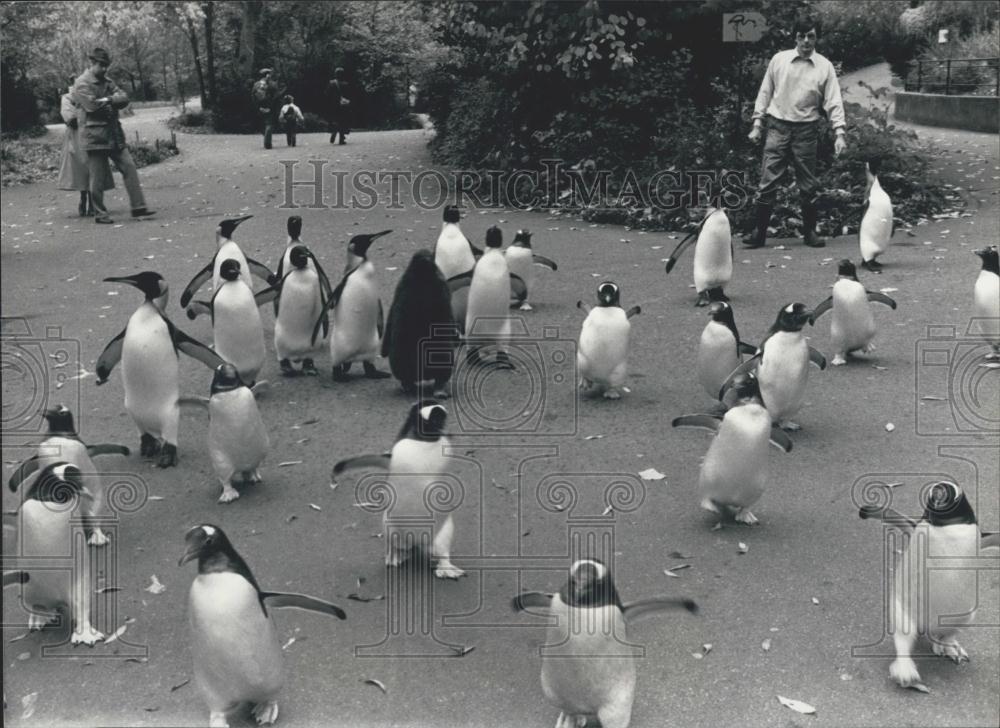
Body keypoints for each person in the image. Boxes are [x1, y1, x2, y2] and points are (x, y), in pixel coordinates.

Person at [743, 14, 847, 249]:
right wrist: (757, 124)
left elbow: (834, 101)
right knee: (768, 181)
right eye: (802, 36)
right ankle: (759, 233)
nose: (806, 41)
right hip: (777, 127)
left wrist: (839, 133)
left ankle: (810, 232)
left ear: (817, 38)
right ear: (795, 37)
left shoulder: (825, 67)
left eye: (811, 36)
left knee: (808, 184)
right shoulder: (779, 61)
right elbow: (765, 92)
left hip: (806, 131)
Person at [71, 48, 154, 224]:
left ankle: (138, 207)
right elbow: (92, 107)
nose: (104, 69)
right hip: (94, 137)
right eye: (101, 65)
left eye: (106, 65)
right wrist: (111, 101)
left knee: (129, 167)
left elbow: (124, 98)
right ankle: (100, 214)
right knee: (97, 178)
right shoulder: (81, 83)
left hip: (114, 134)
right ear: (92, 63)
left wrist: (108, 100)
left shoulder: (107, 81)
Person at [57, 77, 114, 217]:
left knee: (94, 167)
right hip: (76, 138)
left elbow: (103, 110)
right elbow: (71, 119)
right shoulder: (67, 98)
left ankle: (94, 202)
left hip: (92, 134)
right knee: (81, 167)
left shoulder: (90, 96)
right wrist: (89, 111)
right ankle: (84, 198)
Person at [252, 68, 281, 149]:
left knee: (262, 125)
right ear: (267, 75)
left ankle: (266, 136)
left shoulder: (256, 85)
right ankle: (267, 143)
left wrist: (257, 107)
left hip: (260, 107)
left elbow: (253, 97)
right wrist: (275, 108)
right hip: (269, 107)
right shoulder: (272, 84)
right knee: (269, 125)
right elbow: (276, 97)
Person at [325, 67, 351, 145]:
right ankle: (341, 138)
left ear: (335, 74)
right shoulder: (346, 84)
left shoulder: (331, 83)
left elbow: (327, 94)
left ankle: (334, 131)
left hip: (333, 105)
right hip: (343, 105)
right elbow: (348, 95)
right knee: (343, 121)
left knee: (335, 120)